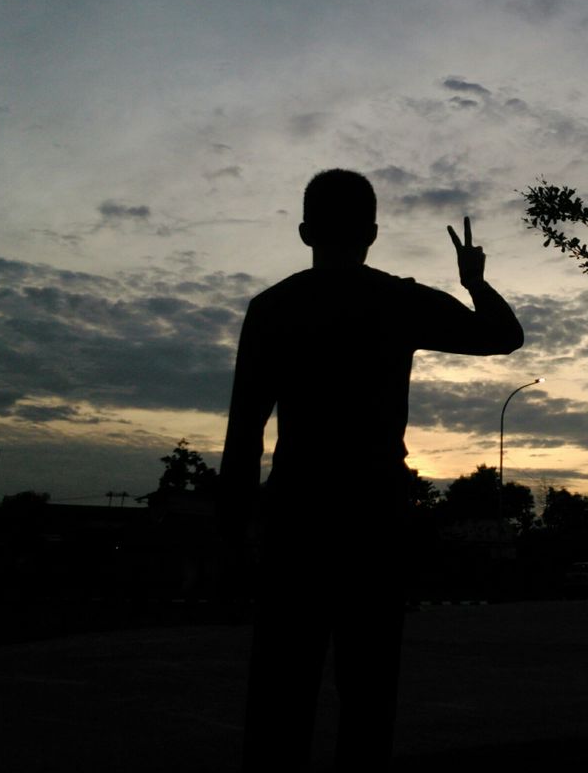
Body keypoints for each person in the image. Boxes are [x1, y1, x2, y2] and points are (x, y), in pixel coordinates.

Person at [216, 168, 524, 770]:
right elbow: (504, 336)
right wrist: (475, 283)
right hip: (374, 519)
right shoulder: (397, 300)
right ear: (373, 234)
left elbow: (243, 434)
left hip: (297, 517)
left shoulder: (273, 308)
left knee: (280, 697)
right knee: (369, 697)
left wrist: (231, 540)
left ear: (305, 232)